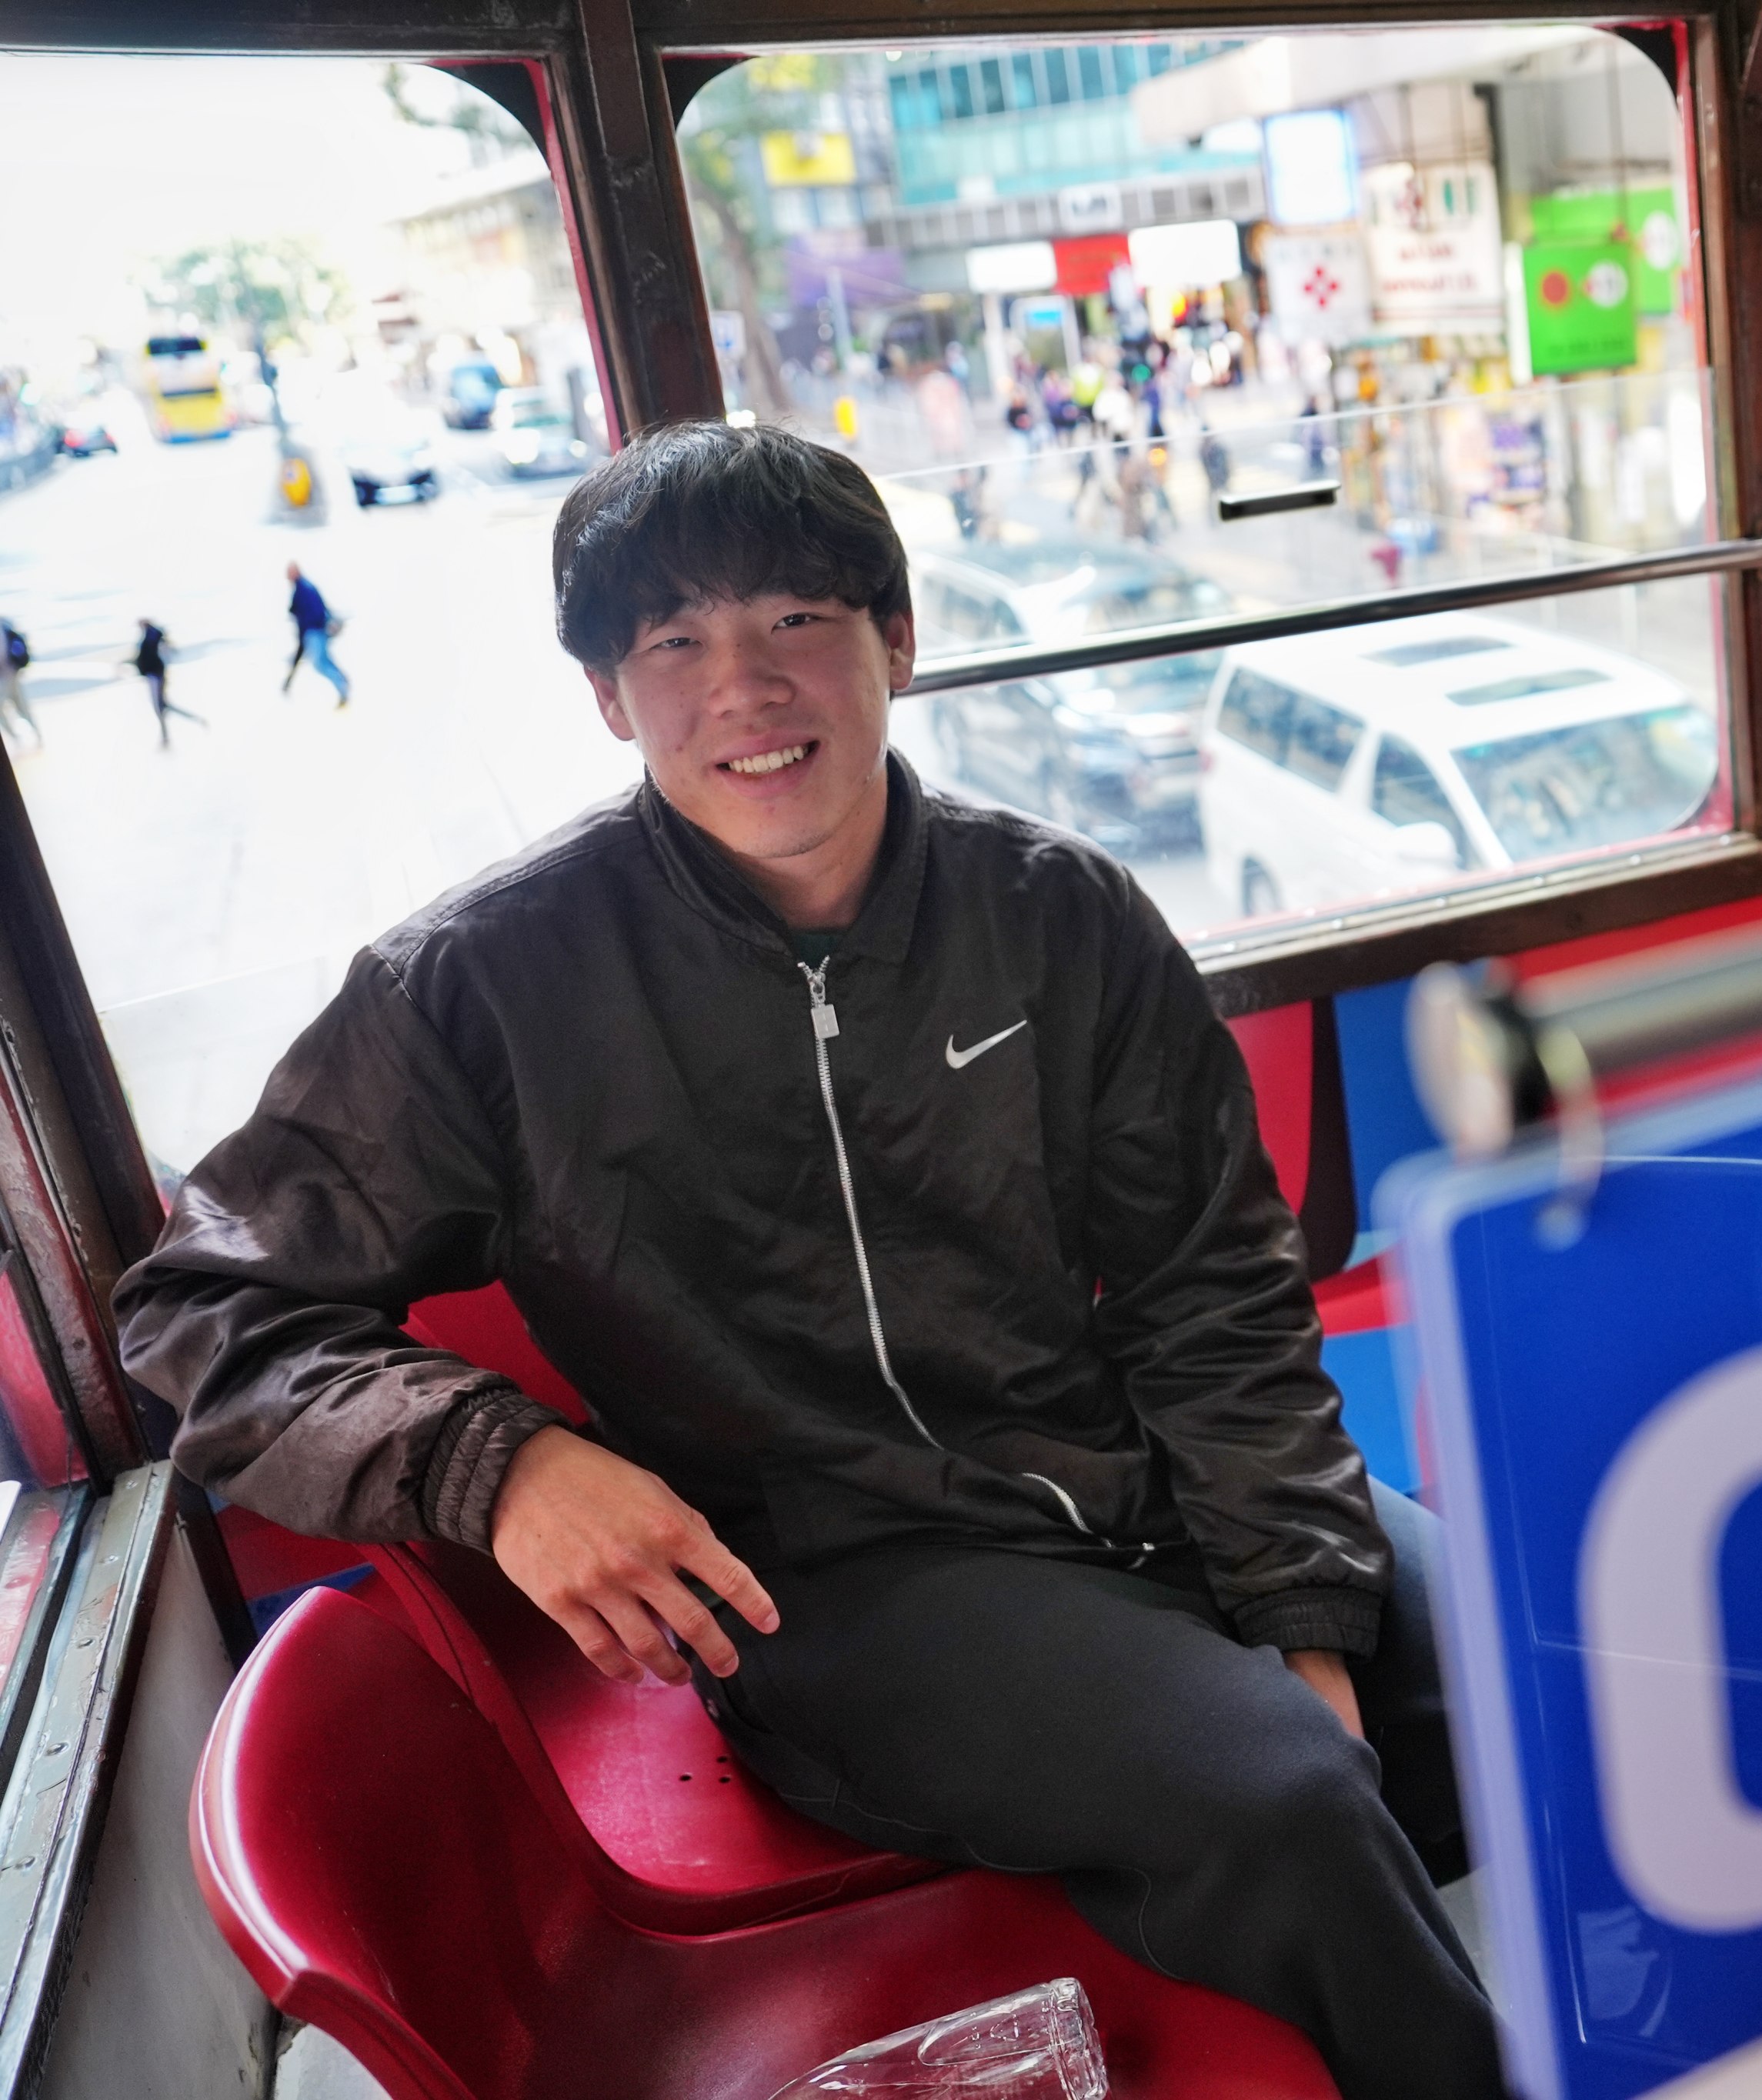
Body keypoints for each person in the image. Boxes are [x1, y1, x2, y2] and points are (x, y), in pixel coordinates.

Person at [112, 423, 1497, 2100]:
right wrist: (503, 1464)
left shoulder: (1061, 915)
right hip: (833, 1574)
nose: (743, 690)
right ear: (610, 699)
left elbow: (1214, 1290)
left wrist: (1303, 1622)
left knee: (1540, 1670)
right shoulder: (480, 987)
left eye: (795, 622)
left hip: (1122, 1475)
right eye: (673, 643)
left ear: (894, 644)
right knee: (1281, 1803)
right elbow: (202, 1306)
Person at [282, 562, 351, 705]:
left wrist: (322, 624)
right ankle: (343, 686)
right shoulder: (303, 588)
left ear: (295, 572)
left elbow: (316, 610)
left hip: (315, 631)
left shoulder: (304, 588)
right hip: (314, 631)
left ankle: (343, 688)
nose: (287, 576)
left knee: (320, 664)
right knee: (323, 662)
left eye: (289, 572)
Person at [129, 620, 201, 746]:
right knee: (162, 706)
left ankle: (166, 737)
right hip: (153, 673)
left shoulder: (152, 634)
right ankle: (191, 721)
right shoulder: (148, 636)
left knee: (159, 706)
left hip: (155, 674)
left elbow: (162, 646)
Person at [0, 617, 37, 748]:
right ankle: (33, 737)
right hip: (13, 672)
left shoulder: (4, 623)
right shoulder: (4, 622)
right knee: (22, 706)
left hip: (8, 675)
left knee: (19, 707)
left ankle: (19, 740)